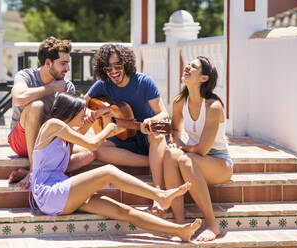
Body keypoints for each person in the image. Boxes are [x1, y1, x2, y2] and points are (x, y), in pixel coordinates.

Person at [29, 92, 202, 241]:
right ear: (70, 110)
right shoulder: (53, 125)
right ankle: (160, 195)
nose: (84, 114)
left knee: (123, 211)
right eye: (82, 111)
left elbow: (79, 138)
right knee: (108, 172)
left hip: (61, 194)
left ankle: (179, 231)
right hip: (49, 193)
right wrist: (110, 128)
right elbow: (92, 144)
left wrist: (90, 122)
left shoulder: (63, 134)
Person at [85, 44, 169, 214]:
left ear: (127, 63)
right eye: (108, 68)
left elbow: (164, 115)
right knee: (99, 149)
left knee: (157, 134)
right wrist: (89, 111)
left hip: (147, 137)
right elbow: (82, 103)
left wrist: (150, 121)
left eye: (118, 65)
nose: (113, 71)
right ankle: (155, 162)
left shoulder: (143, 82)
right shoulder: (103, 85)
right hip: (125, 140)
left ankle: (158, 192)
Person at [8, 36, 95, 189]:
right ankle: (35, 171)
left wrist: (86, 121)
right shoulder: (26, 76)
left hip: (47, 141)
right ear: (48, 63)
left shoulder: (68, 87)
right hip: (20, 140)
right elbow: (19, 98)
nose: (67, 68)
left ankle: (32, 171)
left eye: (68, 63)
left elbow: (68, 129)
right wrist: (51, 87)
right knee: (36, 106)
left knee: (89, 154)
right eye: (63, 63)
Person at [163, 56, 233, 242]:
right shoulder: (180, 101)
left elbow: (202, 150)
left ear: (204, 78)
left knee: (185, 159)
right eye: (188, 64)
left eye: (193, 67)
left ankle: (212, 223)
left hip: (219, 162)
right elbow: (175, 129)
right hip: (193, 155)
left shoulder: (213, 106)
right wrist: (175, 142)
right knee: (170, 155)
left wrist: (184, 147)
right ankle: (180, 224)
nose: (187, 67)